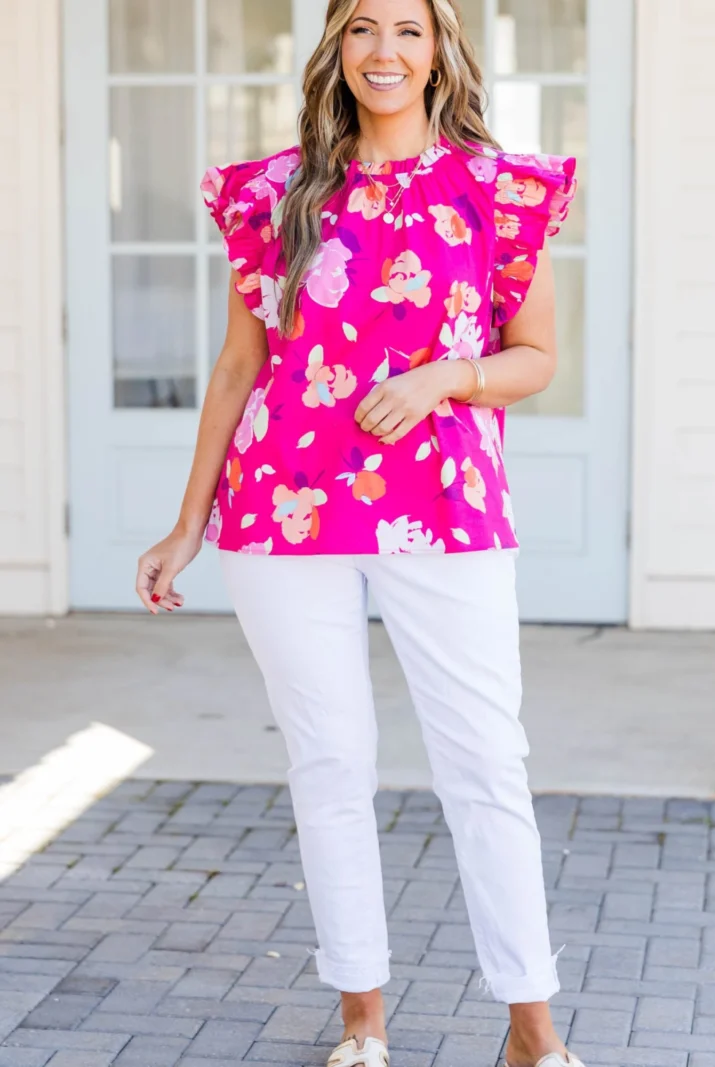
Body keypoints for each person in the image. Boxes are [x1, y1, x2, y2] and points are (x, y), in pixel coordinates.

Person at [135, 1, 582, 1065]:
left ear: (440, 51)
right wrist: (187, 523)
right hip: (283, 508)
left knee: (486, 760)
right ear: (337, 47)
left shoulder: (497, 190)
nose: (386, 51)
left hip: (447, 507)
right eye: (363, 29)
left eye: (409, 30)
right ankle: (362, 1024)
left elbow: (535, 357)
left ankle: (532, 1032)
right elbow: (239, 366)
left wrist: (443, 378)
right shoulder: (276, 194)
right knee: (330, 762)